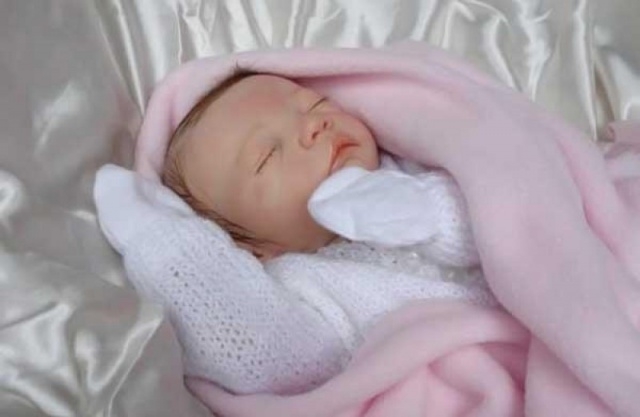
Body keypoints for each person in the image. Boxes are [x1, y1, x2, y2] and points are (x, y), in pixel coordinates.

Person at [96, 71, 494, 396]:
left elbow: (504, 213)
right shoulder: (300, 287)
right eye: (268, 155)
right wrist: (164, 241)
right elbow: (256, 356)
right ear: (247, 247)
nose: (315, 126)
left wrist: (420, 209)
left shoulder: (413, 165)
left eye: (314, 104)